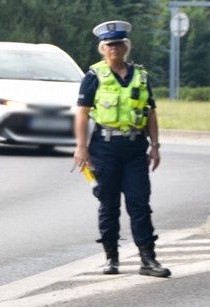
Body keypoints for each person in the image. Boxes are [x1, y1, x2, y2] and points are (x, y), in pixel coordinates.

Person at [72, 20, 169, 278]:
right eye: (109, 44)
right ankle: (111, 258)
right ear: (102, 49)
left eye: (118, 44)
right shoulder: (93, 77)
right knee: (108, 204)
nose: (114, 48)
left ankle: (148, 259)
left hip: (135, 148)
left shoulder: (141, 76)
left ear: (126, 47)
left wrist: (155, 146)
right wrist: (81, 147)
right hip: (104, 147)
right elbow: (81, 114)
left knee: (139, 203)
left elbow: (150, 113)